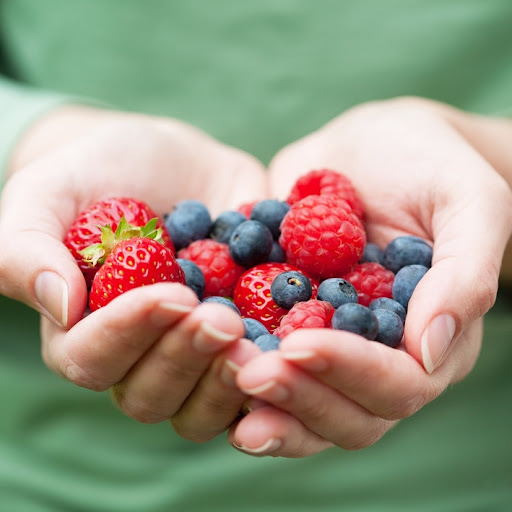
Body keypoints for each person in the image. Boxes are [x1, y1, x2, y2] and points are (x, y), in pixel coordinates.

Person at [0, 1, 511, 510]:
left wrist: (487, 167)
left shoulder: (344, 273)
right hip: (61, 483)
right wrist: (35, 138)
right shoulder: (198, 256)